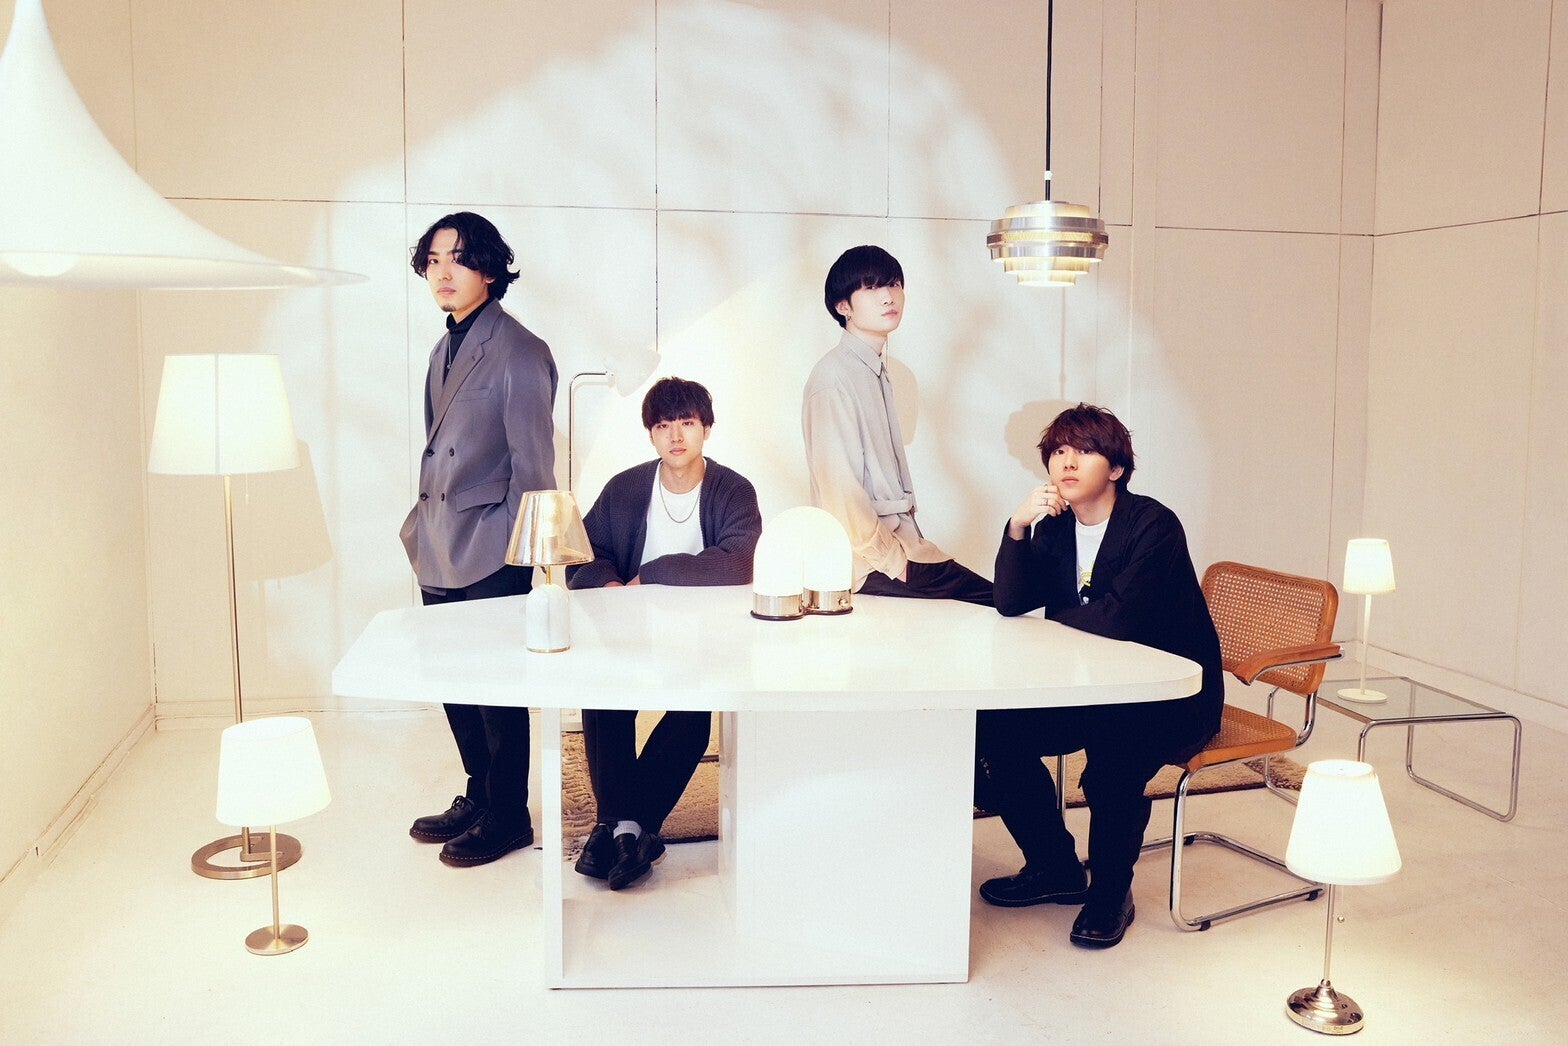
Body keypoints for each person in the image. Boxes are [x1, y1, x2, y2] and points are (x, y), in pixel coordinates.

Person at [973, 403, 1222, 948]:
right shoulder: (1056, 528)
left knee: (1112, 764)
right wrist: (1018, 526)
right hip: (1091, 687)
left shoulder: (1153, 525)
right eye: (1059, 451)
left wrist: (1060, 615)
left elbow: (1118, 620)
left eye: (1084, 451)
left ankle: (1110, 895)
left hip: (1168, 697)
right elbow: (1011, 602)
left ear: (1116, 468)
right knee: (990, 731)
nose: (1067, 462)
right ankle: (1055, 867)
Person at [400, 211, 558, 868]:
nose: (443, 272)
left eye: (459, 258)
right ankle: (480, 794)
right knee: (454, 679)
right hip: (438, 541)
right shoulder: (444, 347)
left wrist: (522, 556)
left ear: (489, 269)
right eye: (434, 259)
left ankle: (509, 814)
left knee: (496, 689)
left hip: (491, 546)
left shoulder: (519, 350)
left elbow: (535, 468)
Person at [566, 377, 762, 889]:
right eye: (663, 425)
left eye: (687, 423)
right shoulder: (625, 489)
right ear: (651, 434)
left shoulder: (733, 490)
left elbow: (738, 561)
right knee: (604, 702)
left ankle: (619, 828)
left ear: (706, 429)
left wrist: (649, 574)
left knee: (691, 722)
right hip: (632, 639)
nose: (676, 436)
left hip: (705, 644)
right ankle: (625, 829)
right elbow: (581, 553)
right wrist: (611, 586)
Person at [801, 245, 992, 607]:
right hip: (871, 563)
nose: (888, 296)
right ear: (843, 307)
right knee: (1002, 602)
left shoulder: (873, 370)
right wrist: (894, 563)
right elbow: (840, 491)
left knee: (1008, 601)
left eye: (893, 284)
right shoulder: (834, 378)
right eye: (871, 288)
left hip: (904, 548)